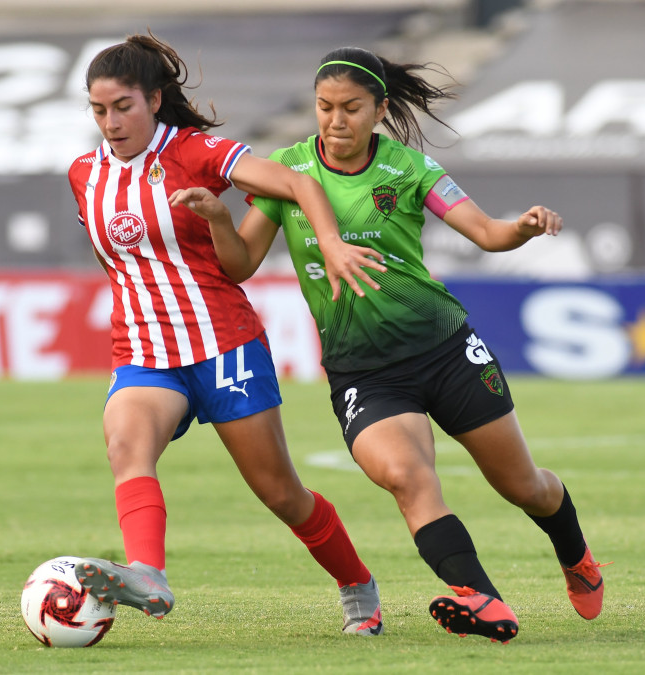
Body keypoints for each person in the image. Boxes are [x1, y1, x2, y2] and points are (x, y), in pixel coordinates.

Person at [175, 46, 608, 644]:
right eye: (325, 108)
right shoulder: (290, 172)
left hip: (445, 350)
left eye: (351, 108)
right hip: (364, 373)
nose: (335, 121)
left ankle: (576, 554)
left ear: (379, 110)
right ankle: (483, 600)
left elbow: (485, 232)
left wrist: (523, 228)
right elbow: (243, 263)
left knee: (522, 486)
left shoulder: (410, 169)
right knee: (407, 477)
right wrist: (220, 223)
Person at [65, 34, 390, 637]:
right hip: (144, 351)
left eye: (123, 107)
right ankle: (147, 573)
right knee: (126, 448)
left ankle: (357, 586)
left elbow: (300, 184)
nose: (110, 123)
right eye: (99, 110)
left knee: (281, 493)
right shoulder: (84, 175)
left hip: (223, 345)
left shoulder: (196, 152)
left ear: (155, 100)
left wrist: (332, 242)